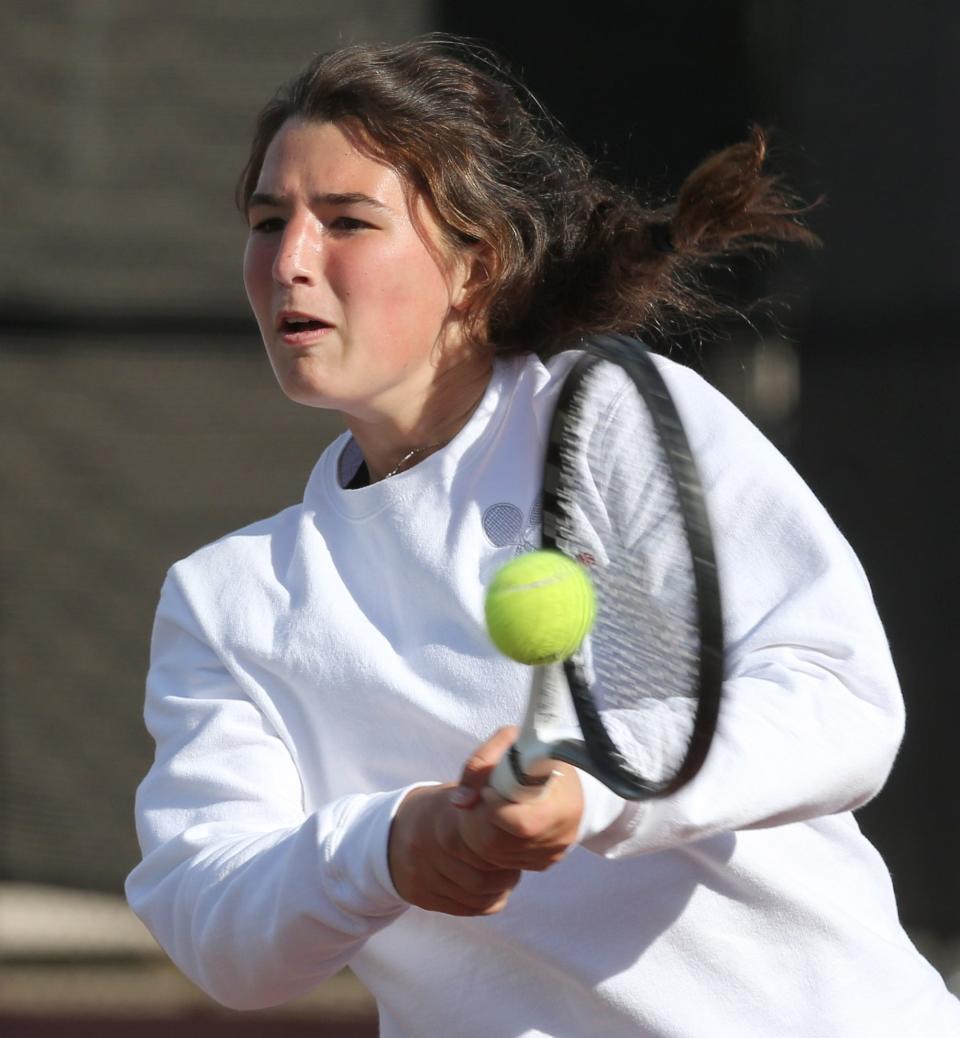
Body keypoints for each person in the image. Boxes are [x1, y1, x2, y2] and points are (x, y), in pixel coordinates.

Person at [125, 35, 960, 1037]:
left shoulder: (611, 424)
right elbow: (217, 927)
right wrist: (393, 845)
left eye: (346, 220)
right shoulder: (228, 602)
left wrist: (591, 788)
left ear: (476, 264)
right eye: (269, 221)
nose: (291, 261)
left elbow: (838, 697)